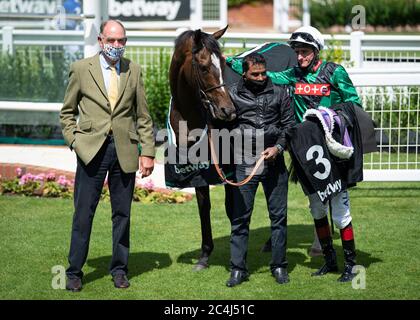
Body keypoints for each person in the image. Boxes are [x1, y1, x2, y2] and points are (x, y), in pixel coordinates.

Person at [60, 20, 155, 291]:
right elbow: (66, 113)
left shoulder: (133, 70)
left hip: (124, 151)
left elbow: (143, 116)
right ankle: (74, 271)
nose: (117, 46)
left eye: (121, 41)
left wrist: (147, 152)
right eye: (111, 41)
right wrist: (75, 142)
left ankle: (119, 269)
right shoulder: (81, 69)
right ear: (101, 40)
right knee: (83, 214)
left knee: (122, 214)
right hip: (91, 152)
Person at [267, 26, 361, 282]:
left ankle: (351, 266)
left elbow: (354, 102)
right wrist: (228, 61)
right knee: (317, 209)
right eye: (297, 52)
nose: (300, 57)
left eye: (305, 52)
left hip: (334, 152)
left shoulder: (334, 72)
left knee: (340, 213)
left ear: (316, 50)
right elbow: (264, 74)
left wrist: (333, 117)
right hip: (306, 155)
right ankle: (330, 261)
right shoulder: (292, 75)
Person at [225, 53, 295, 287]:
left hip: (274, 164)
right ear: (244, 73)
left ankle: (279, 266)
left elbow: (289, 126)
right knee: (240, 219)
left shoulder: (280, 92)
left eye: (263, 73)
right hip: (245, 164)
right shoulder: (232, 93)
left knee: (278, 218)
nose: (261, 77)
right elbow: (224, 126)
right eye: (255, 74)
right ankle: (238, 269)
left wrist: (278, 147)